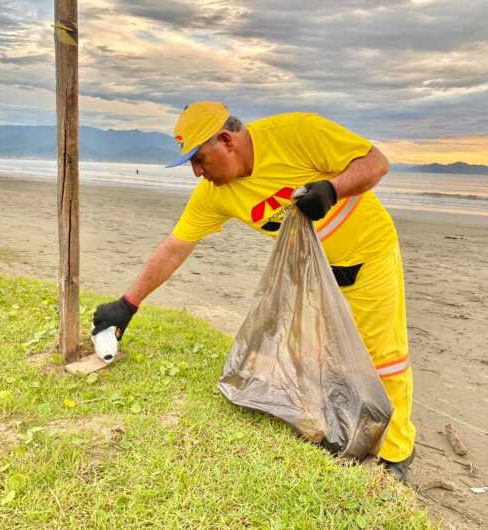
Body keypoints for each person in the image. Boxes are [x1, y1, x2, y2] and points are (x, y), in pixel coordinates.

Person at [93, 101, 416, 481]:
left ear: (226, 141)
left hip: (368, 256)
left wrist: (332, 189)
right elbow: (174, 247)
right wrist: (128, 304)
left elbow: (375, 163)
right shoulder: (217, 193)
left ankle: (397, 452)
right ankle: (343, 429)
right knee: (319, 354)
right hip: (313, 276)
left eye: (199, 159)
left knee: (384, 358)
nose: (197, 172)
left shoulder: (297, 132)